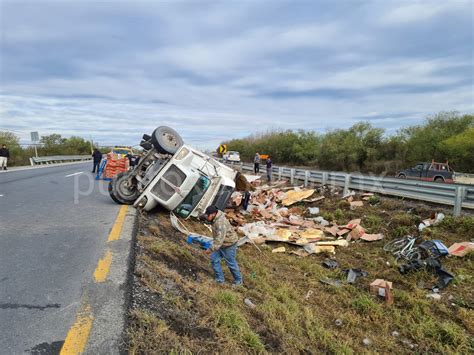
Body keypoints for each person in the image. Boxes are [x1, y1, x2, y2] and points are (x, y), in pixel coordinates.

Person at [202, 205, 242, 285]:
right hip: (221, 244)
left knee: (231, 263)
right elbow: (218, 240)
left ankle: (238, 281)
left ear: (213, 214)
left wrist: (210, 249)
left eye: (208, 215)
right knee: (214, 259)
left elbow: (219, 240)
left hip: (229, 244)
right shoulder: (215, 218)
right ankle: (220, 280)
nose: (207, 217)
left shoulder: (220, 223)